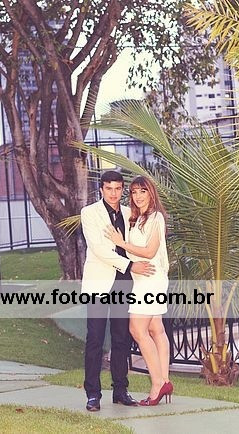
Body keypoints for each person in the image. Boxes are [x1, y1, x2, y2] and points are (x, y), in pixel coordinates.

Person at [81, 170, 155, 412]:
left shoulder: (129, 213)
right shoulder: (89, 213)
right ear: (101, 189)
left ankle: (121, 390)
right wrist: (131, 265)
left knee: (122, 338)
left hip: (124, 283)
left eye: (117, 188)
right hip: (98, 284)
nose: (113, 193)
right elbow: (99, 249)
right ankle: (93, 394)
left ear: (123, 190)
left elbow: (137, 244)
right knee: (95, 338)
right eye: (109, 188)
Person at [104, 175, 173, 406]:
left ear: (151, 193)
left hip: (151, 278)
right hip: (141, 279)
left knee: (137, 329)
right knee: (156, 329)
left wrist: (121, 242)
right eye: (134, 192)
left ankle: (157, 384)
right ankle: (165, 380)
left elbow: (150, 251)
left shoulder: (156, 217)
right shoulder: (136, 218)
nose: (138, 196)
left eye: (143, 191)